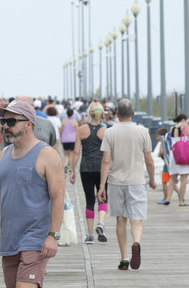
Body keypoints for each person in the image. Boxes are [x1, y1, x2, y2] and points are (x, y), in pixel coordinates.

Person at [0, 100, 64, 288]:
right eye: (3, 121)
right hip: (9, 237)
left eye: (12, 122)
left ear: (29, 123)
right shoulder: (5, 153)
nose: (5, 126)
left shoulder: (47, 155)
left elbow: (57, 198)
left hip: (35, 237)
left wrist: (53, 236)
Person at [98, 99, 156, 271]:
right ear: (133, 114)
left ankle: (124, 259)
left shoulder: (110, 132)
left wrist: (102, 185)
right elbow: (149, 161)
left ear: (116, 114)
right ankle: (136, 243)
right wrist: (152, 179)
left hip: (116, 182)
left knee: (120, 219)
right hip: (136, 181)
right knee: (136, 220)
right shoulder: (143, 132)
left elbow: (106, 161)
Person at [70, 102, 108, 244]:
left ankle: (90, 235)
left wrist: (72, 170)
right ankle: (101, 223)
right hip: (101, 168)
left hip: (85, 168)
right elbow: (108, 155)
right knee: (103, 196)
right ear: (101, 114)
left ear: (89, 113)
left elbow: (76, 151)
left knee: (89, 201)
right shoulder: (105, 131)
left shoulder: (81, 130)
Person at [164, 114, 189, 206]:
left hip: (174, 154)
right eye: (187, 120)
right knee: (183, 179)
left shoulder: (172, 128)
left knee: (172, 178)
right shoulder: (185, 127)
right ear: (183, 120)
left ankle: (168, 198)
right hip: (184, 154)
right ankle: (181, 201)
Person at [155, 128, 171, 205]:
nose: (156, 138)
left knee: (164, 181)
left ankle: (165, 198)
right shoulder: (167, 142)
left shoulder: (162, 143)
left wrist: (158, 154)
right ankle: (179, 194)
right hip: (169, 162)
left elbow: (161, 152)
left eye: (157, 136)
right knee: (171, 180)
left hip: (166, 164)